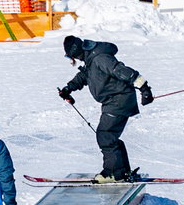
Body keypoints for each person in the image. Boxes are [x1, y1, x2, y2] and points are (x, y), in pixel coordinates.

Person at [58, 36, 152, 183]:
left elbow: (122, 71)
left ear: (75, 52)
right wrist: (68, 88)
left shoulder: (100, 59)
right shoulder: (90, 59)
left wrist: (144, 88)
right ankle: (122, 171)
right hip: (113, 100)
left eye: (70, 56)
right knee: (109, 136)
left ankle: (113, 174)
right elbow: (84, 75)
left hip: (119, 99)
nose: (72, 59)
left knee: (105, 135)